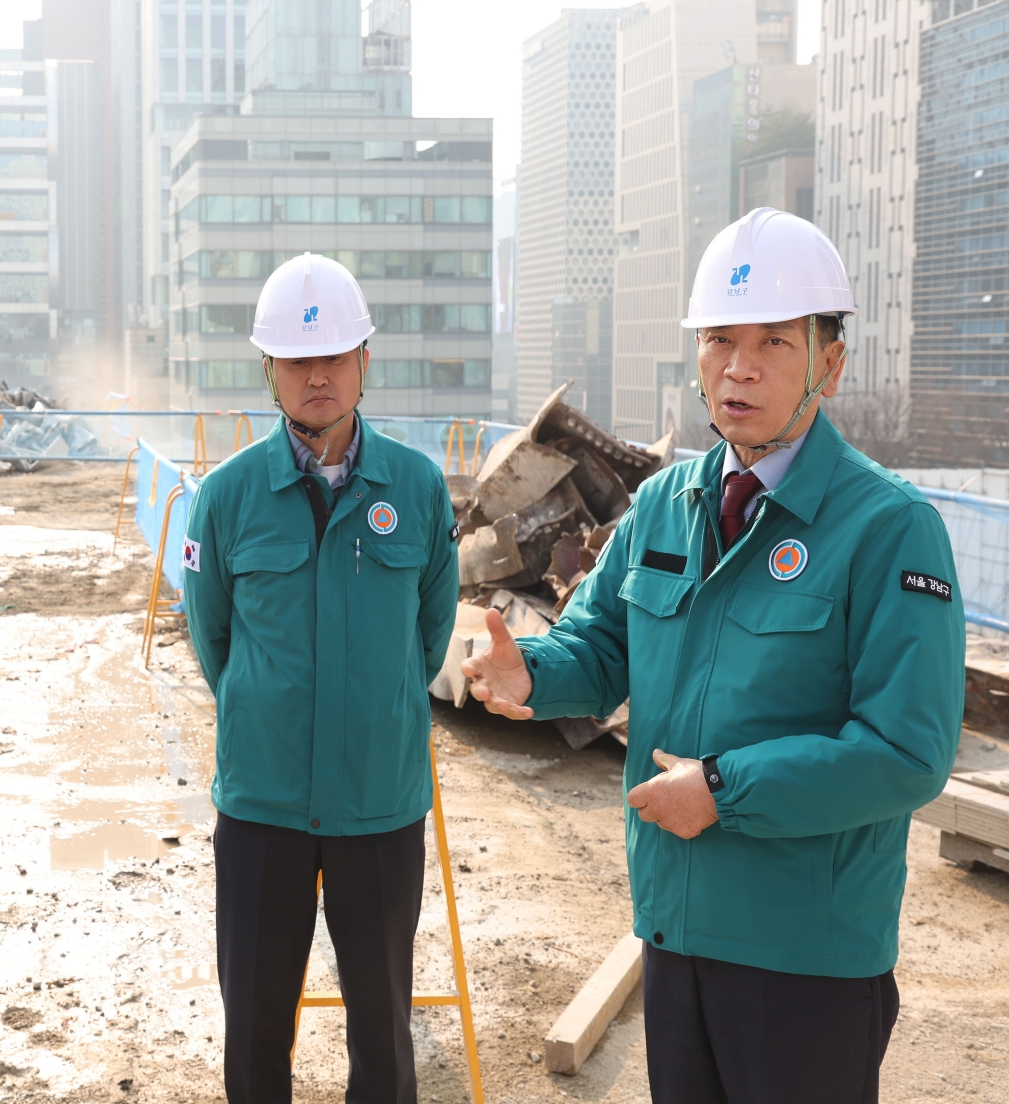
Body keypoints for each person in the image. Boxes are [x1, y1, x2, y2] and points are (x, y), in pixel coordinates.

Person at [464, 208, 965, 1104]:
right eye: (721, 340)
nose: (740, 367)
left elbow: (908, 752)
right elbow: (605, 646)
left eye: (775, 342)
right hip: (673, 929)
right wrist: (533, 674)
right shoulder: (664, 505)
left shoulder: (890, 529)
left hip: (806, 955)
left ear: (830, 362)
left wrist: (724, 793)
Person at [182, 253, 459, 1104]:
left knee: (383, 1027)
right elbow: (213, 640)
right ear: (268, 369)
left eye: (336, 356)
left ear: (365, 361)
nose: (317, 375)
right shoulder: (225, 499)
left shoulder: (415, 487)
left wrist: (370, 712)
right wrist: (271, 714)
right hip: (263, 804)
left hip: (379, 802)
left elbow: (429, 633)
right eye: (298, 360)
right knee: (257, 1024)